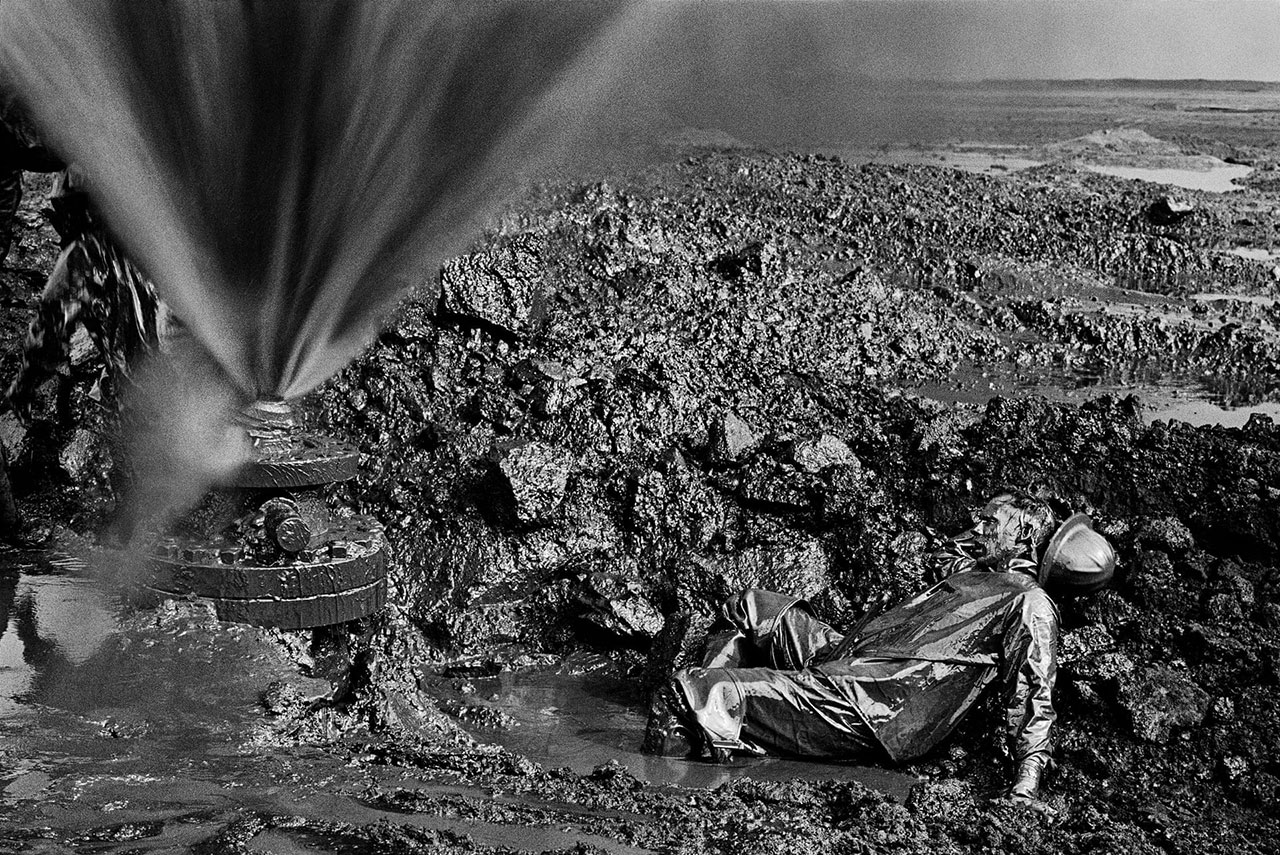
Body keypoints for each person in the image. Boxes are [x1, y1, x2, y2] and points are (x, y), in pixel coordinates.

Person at [658, 490, 1116, 804]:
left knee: (695, 691)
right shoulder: (977, 572)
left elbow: (1033, 693)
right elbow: (948, 552)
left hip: (874, 701)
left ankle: (701, 733)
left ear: (1024, 538)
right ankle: (720, 729)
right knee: (751, 607)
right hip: (846, 656)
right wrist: (985, 539)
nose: (977, 526)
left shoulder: (1030, 603)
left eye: (989, 523)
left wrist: (1025, 786)